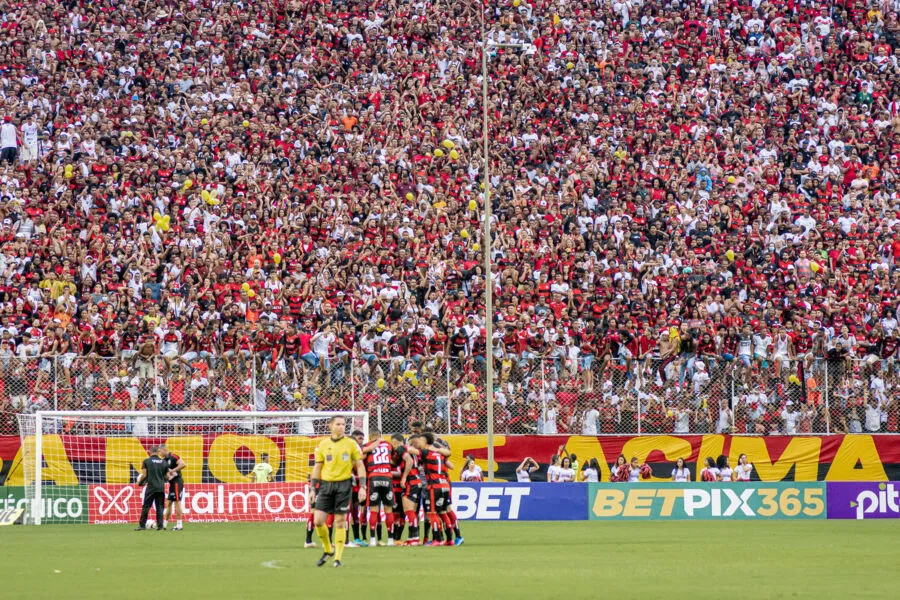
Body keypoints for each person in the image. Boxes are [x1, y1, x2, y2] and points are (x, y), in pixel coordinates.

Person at [310, 416, 366, 568]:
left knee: (340, 522)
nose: (341, 427)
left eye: (343, 424)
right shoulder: (323, 444)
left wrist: (363, 486)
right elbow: (317, 467)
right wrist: (312, 489)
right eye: (338, 424)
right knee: (318, 521)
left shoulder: (351, 444)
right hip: (326, 485)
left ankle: (338, 558)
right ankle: (328, 549)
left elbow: (360, 465)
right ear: (330, 426)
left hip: (344, 485)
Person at [411, 433, 462, 546]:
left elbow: (411, 451)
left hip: (434, 485)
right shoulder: (440, 453)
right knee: (443, 512)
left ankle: (437, 540)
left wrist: (401, 446)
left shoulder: (425, 452)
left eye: (419, 440)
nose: (418, 443)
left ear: (424, 441)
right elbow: (450, 460)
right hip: (444, 484)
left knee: (432, 513)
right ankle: (449, 540)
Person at [361, 430, 396, 547]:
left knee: (374, 510)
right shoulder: (389, 445)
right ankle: (390, 540)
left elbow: (362, 455)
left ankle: (372, 539)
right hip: (387, 477)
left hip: (374, 477)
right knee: (388, 510)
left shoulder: (367, 445)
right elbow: (393, 460)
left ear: (370, 436)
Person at [390, 433, 423, 546]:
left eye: (392, 443)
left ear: (395, 442)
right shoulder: (410, 450)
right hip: (417, 481)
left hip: (411, 481)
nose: (392, 446)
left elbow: (409, 461)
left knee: (408, 510)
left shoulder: (401, 448)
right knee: (412, 511)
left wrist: (403, 478)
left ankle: (415, 538)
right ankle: (412, 537)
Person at [135, 446, 169, 531]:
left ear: (150, 452)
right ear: (158, 451)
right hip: (160, 488)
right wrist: (161, 477)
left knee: (146, 506)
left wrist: (140, 483)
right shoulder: (164, 462)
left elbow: (144, 475)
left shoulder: (146, 461)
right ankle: (160, 526)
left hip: (151, 488)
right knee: (160, 507)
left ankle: (142, 526)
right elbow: (168, 477)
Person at [161, 445, 186, 531]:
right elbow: (166, 475)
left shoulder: (173, 456)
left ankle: (179, 525)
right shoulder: (163, 461)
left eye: (160, 451)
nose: (160, 453)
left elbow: (183, 464)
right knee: (168, 503)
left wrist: (172, 471)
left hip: (177, 482)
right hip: (171, 483)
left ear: (164, 450)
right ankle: (164, 525)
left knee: (177, 502)